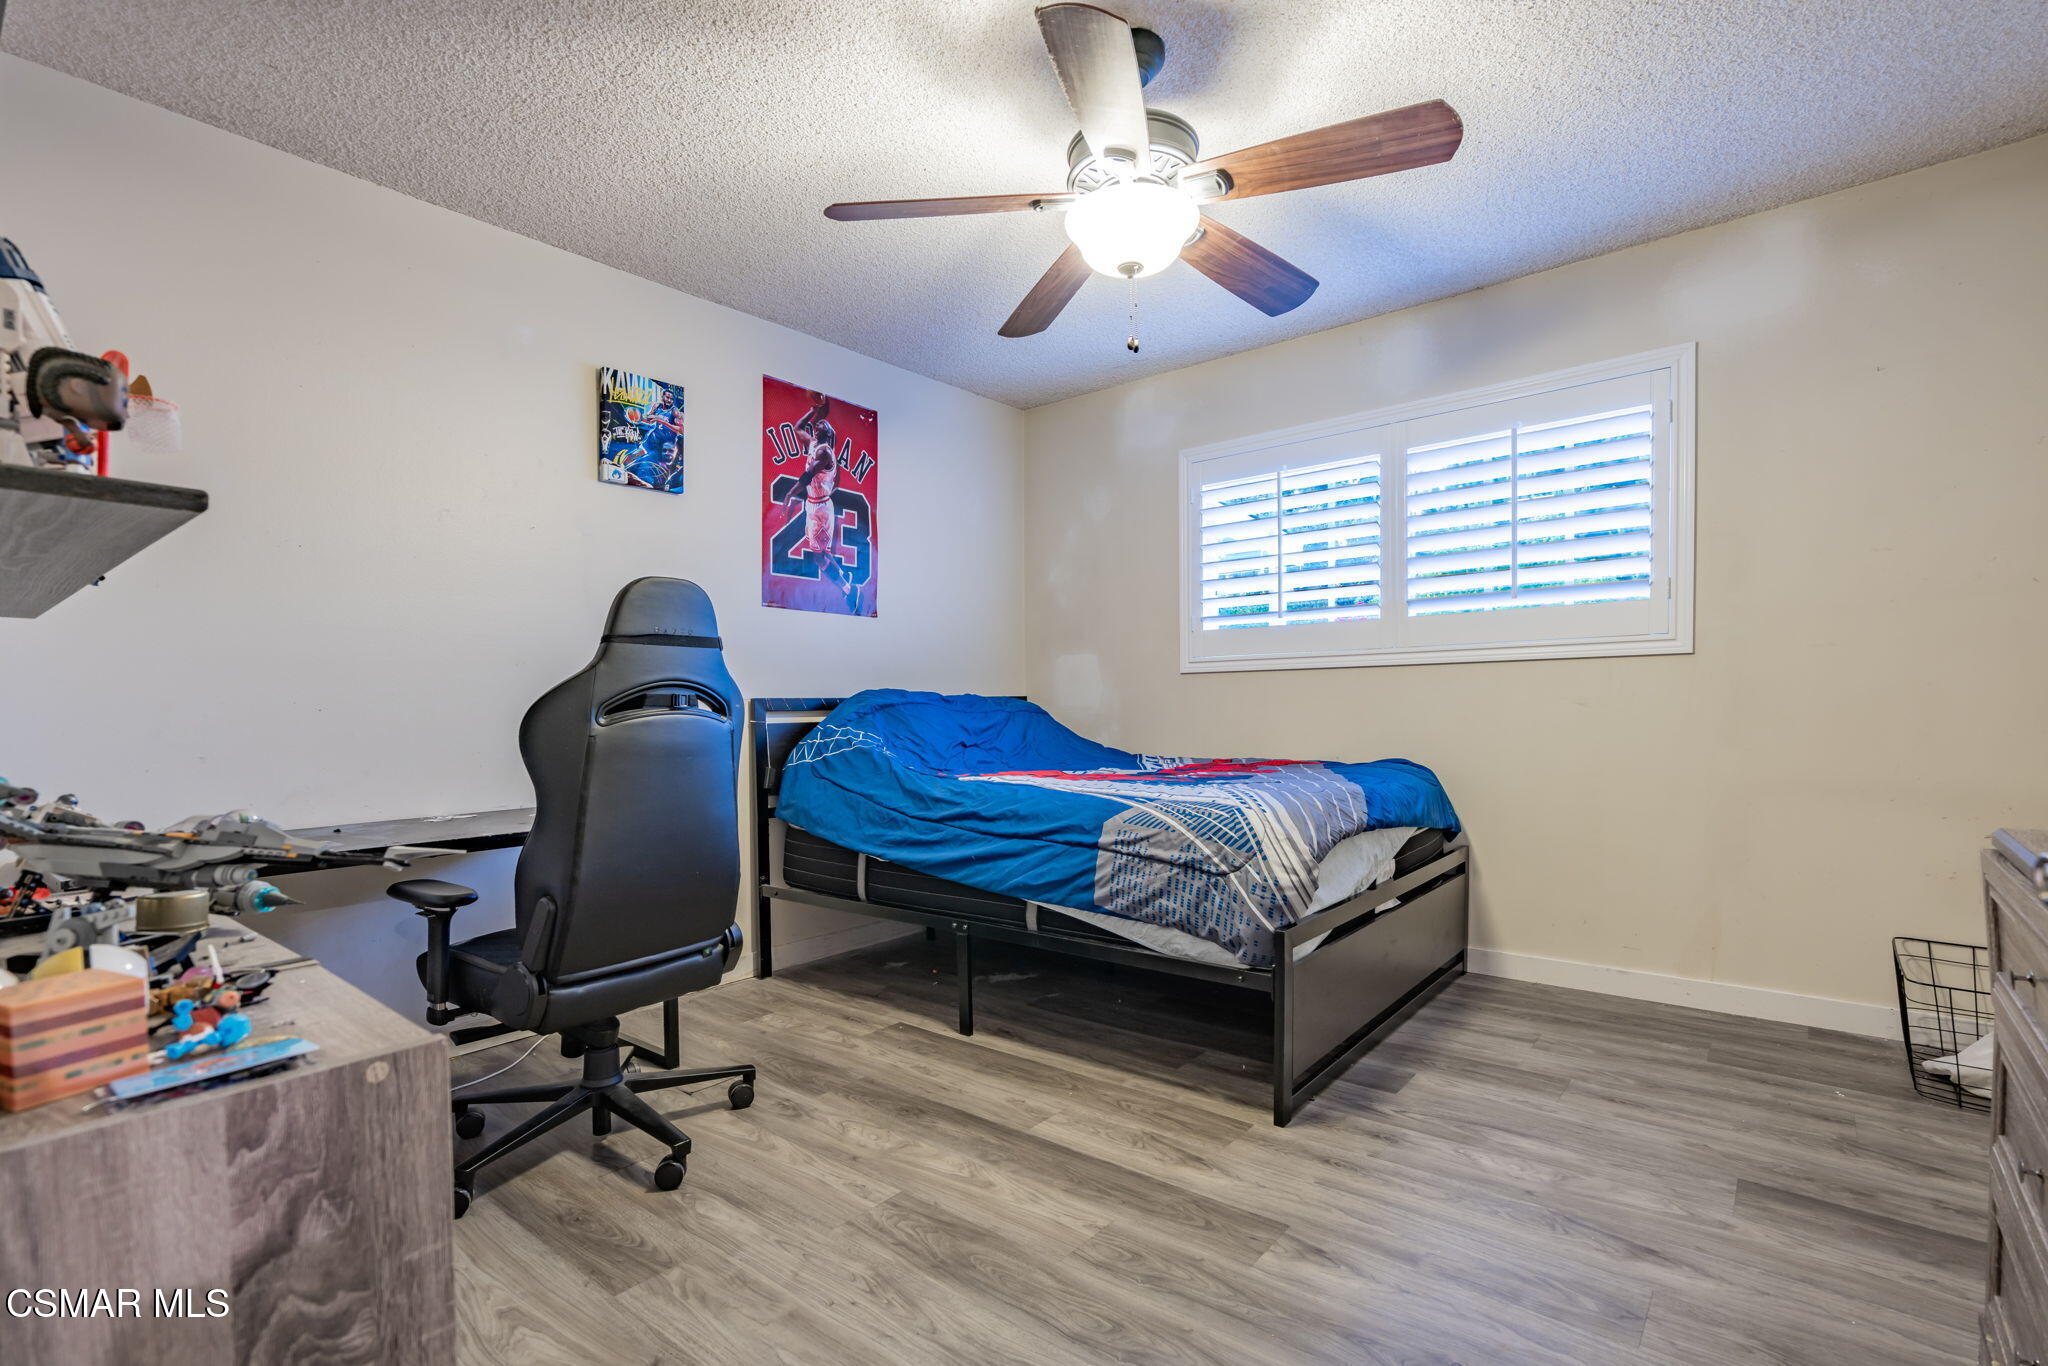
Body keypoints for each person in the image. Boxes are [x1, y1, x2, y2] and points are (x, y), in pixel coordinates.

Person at [781, 398, 861, 612]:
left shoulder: (825, 452)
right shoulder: (813, 444)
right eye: (819, 423)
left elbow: (807, 477)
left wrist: (789, 495)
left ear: (828, 435)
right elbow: (797, 428)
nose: (820, 424)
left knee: (819, 556)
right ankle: (845, 579)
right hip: (814, 504)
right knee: (820, 555)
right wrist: (812, 410)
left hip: (821, 510)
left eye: (823, 424)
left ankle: (848, 588)